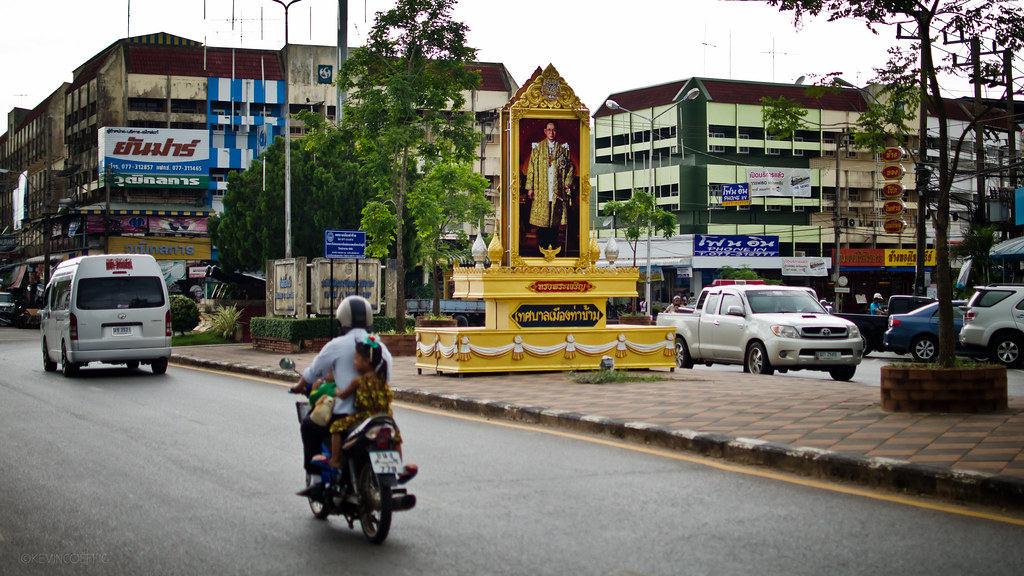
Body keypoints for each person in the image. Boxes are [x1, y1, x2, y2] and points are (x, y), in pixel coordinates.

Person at [290, 296, 391, 481]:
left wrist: (299, 387)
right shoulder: (379, 347)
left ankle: (318, 478)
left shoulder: (336, 345)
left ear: (342, 320)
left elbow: (313, 373)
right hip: (379, 415)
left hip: (347, 415)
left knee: (309, 426)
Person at [326, 335, 402, 469]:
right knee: (396, 439)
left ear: (367, 361)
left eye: (356, 359)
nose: (354, 362)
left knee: (335, 427)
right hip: (385, 417)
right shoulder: (381, 378)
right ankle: (399, 467)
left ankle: (335, 460)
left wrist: (335, 391)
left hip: (365, 417)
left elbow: (343, 395)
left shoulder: (359, 380)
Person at [525, 121, 575, 252]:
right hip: (542, 190)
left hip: (556, 191)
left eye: (553, 130)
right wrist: (530, 188)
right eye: (549, 130)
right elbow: (531, 169)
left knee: (554, 223)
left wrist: (567, 184)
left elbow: (570, 168)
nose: (551, 133)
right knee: (543, 224)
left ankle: (553, 250)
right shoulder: (537, 149)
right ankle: (541, 250)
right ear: (545, 131)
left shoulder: (563, 149)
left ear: (556, 131)